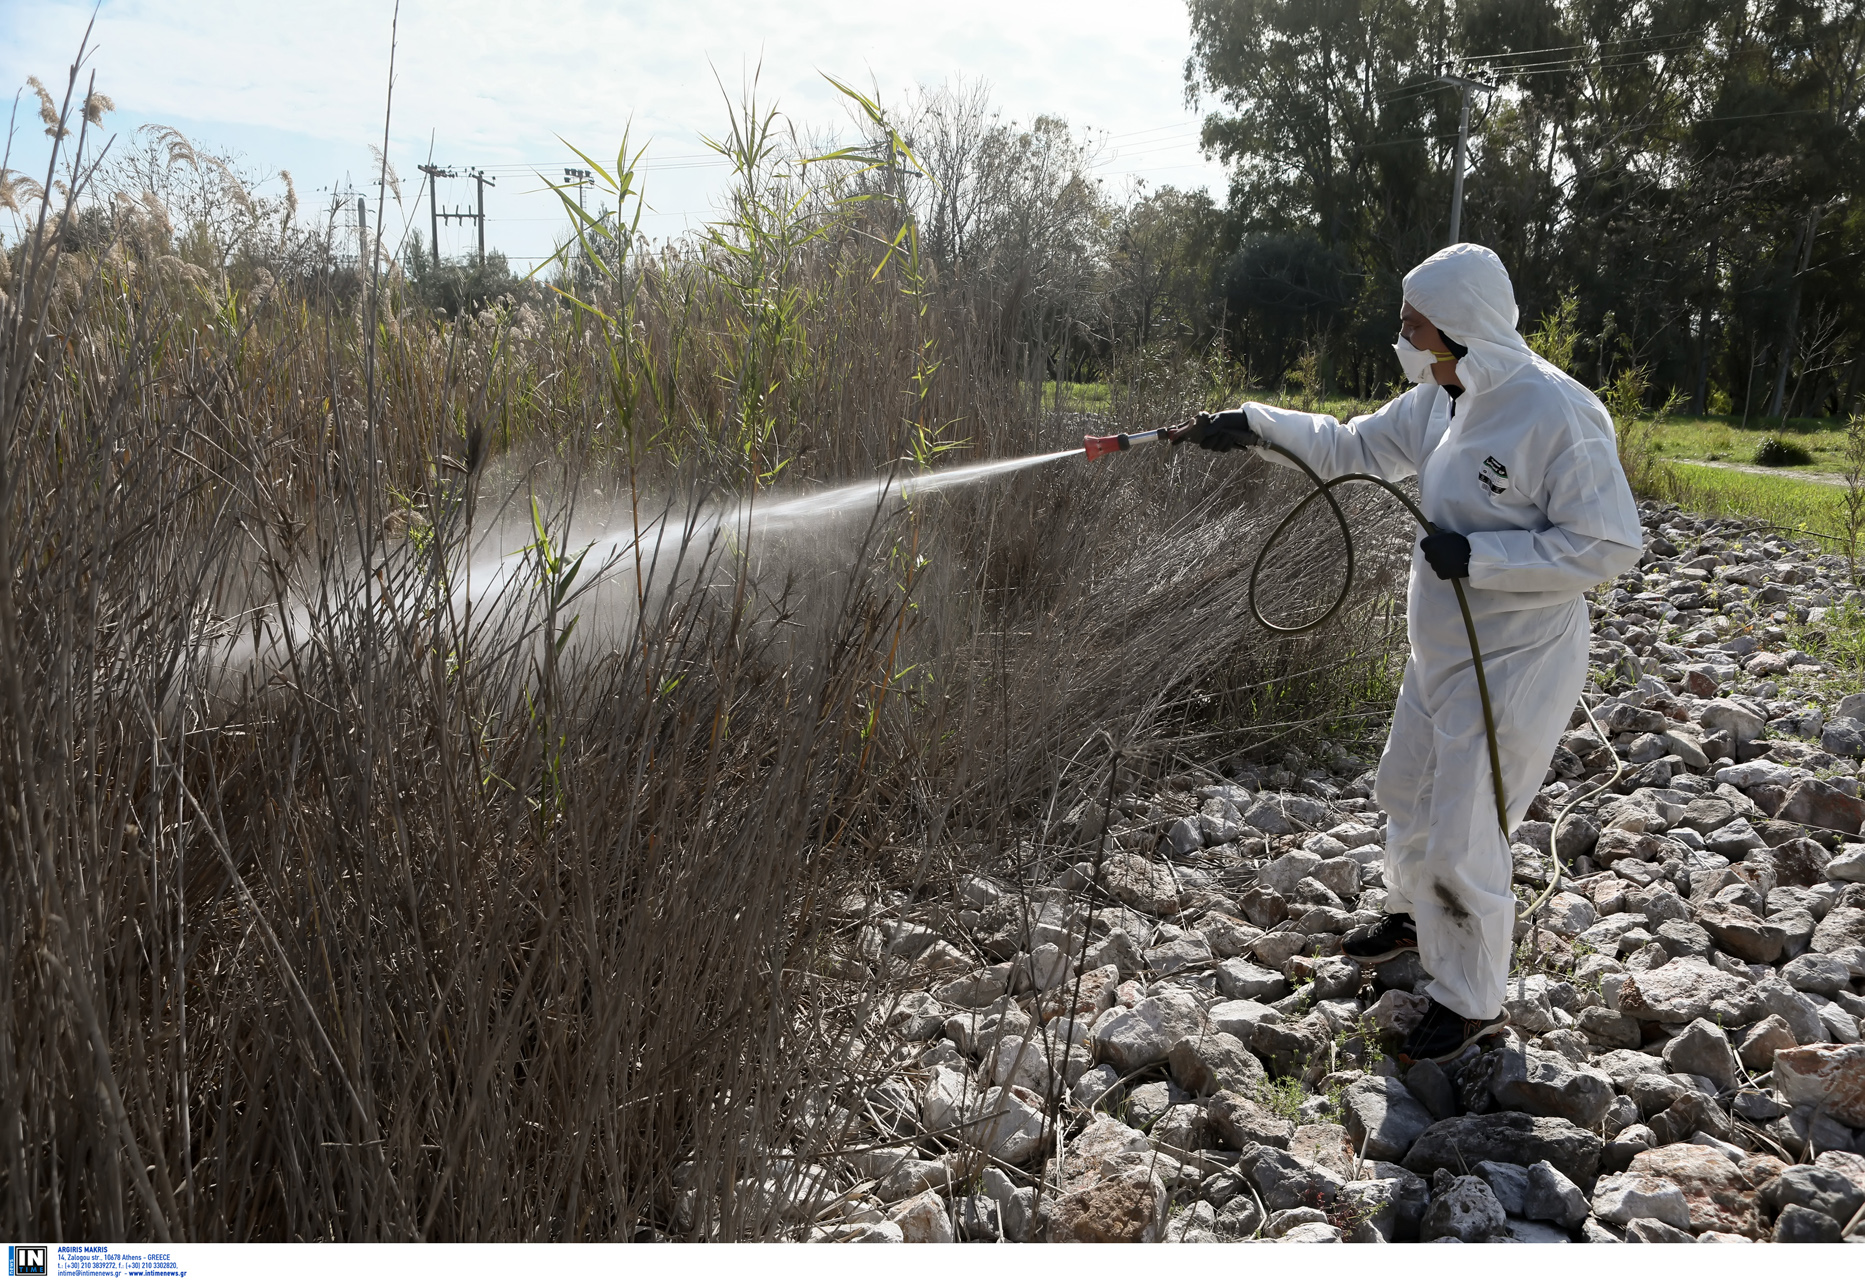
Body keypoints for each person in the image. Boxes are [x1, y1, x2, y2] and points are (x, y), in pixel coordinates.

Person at [1192, 243, 1642, 1064]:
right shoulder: (1441, 398)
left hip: (1514, 657)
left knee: (1464, 829)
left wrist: (1484, 559)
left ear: (1461, 325)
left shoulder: (1555, 414)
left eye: (1412, 323)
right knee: (1406, 785)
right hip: (1437, 644)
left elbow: (1609, 545)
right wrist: (1252, 424)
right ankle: (1409, 921)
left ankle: (1468, 1001)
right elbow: (1349, 447)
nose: (1401, 336)